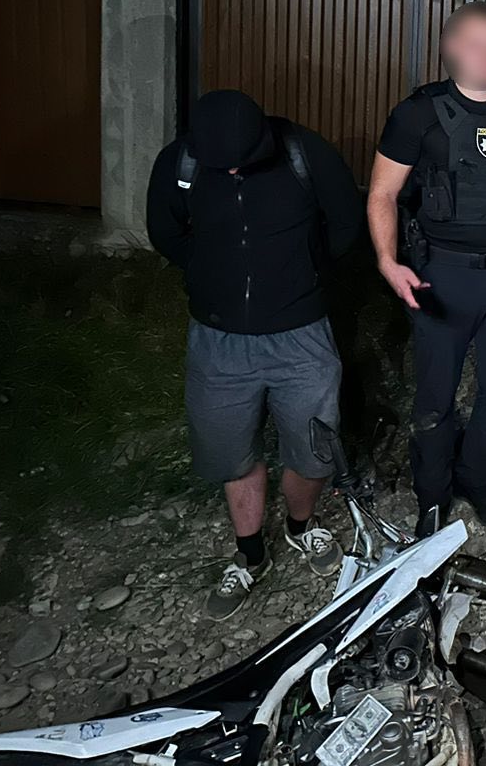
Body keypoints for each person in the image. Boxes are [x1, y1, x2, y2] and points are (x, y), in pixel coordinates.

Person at [146, 89, 363, 620]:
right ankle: (249, 553)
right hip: (218, 339)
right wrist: (211, 273)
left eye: (243, 161)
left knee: (313, 448)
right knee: (231, 452)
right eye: (223, 165)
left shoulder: (304, 152)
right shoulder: (181, 162)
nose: (233, 171)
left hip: (301, 335)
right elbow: (165, 231)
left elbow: (345, 222)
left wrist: (303, 275)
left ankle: (300, 526)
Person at [368, 2, 486, 531]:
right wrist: (387, 262)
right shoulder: (417, 114)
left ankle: (475, 477)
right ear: (449, 48)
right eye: (476, 44)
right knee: (435, 397)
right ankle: (432, 492)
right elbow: (382, 193)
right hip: (441, 277)